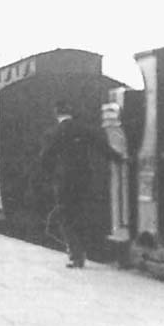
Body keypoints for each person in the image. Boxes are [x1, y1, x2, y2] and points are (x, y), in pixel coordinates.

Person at [39, 100, 122, 268]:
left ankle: (76, 255)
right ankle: (84, 250)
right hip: (84, 178)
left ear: (56, 114)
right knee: (81, 215)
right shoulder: (84, 129)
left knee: (66, 217)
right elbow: (102, 147)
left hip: (63, 181)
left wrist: (50, 176)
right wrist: (119, 158)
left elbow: (45, 158)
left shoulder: (53, 133)